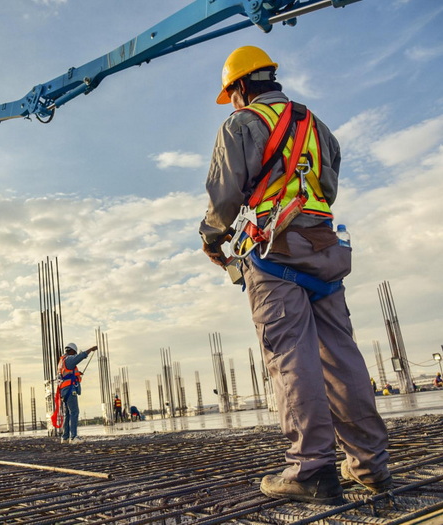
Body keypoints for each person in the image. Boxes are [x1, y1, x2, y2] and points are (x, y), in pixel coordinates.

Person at [199, 46, 391, 505]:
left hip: (272, 252)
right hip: (324, 248)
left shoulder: (240, 124)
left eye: (234, 95)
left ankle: (312, 469)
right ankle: (371, 465)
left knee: (291, 357)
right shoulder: (317, 126)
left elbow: (225, 198)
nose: (234, 103)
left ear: (241, 86)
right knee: (341, 356)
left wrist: (211, 238)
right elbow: (326, 188)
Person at [57, 342, 97, 443]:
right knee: (74, 412)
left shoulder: (62, 361)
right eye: (74, 353)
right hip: (70, 389)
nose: (75, 355)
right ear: (71, 351)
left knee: (68, 414)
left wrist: (77, 373)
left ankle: (65, 437)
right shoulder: (69, 359)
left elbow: (66, 374)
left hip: (64, 390)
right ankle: (74, 437)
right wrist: (91, 349)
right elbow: (80, 357)